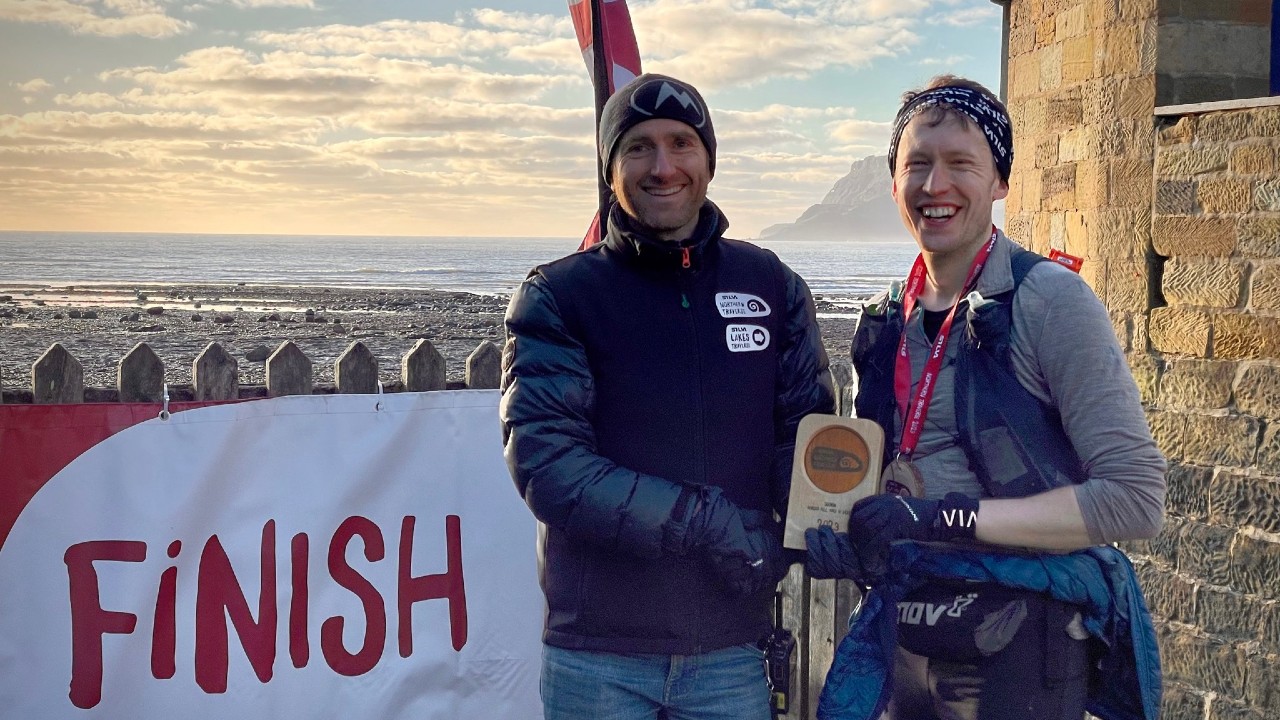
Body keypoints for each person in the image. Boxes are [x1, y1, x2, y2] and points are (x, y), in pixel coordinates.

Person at [805, 75, 1167, 720]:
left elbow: (1135, 500)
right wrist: (846, 532)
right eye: (916, 164)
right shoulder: (885, 320)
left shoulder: (1049, 300)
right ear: (893, 184)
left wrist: (946, 519)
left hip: (1024, 650)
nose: (934, 185)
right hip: (911, 641)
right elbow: (888, 488)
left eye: (960, 164)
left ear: (999, 181)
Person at [500, 72, 835, 720]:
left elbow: (809, 442)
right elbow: (550, 467)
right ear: (610, 167)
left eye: (682, 143)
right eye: (639, 148)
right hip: (597, 656)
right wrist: (708, 525)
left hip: (732, 652)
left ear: (709, 159)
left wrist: (800, 536)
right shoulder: (558, 296)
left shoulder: (771, 284)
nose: (663, 167)